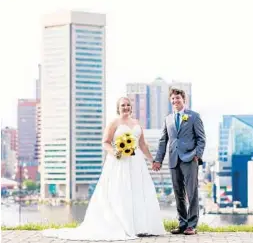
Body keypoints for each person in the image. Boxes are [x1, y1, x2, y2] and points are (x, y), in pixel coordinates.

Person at [43, 97, 165, 241]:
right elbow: (105, 142)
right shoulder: (114, 123)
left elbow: (143, 144)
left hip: (136, 162)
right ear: (118, 108)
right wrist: (115, 153)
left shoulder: (137, 123)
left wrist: (153, 161)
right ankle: (125, 226)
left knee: (139, 191)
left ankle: (141, 227)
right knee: (121, 191)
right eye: (122, 105)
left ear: (131, 107)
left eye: (128, 105)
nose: (125, 107)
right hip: (120, 162)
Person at [152, 88, 206, 235]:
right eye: (173, 99)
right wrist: (158, 160)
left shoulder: (194, 116)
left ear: (184, 100)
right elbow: (164, 141)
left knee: (191, 192)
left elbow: (201, 138)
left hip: (190, 158)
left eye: (178, 98)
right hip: (173, 159)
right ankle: (182, 223)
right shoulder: (168, 119)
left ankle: (192, 225)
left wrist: (197, 155)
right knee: (178, 193)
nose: (175, 101)